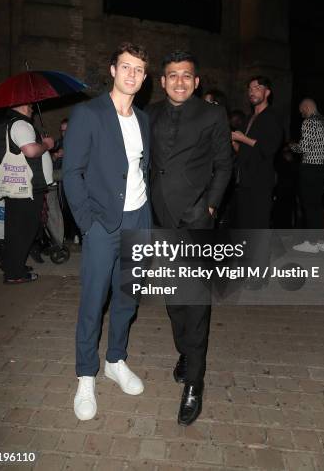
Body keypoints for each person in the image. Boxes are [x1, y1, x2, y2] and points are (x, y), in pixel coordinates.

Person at [62, 42, 151, 422]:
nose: (132, 75)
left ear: (145, 78)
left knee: (127, 299)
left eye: (139, 70)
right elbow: (72, 173)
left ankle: (115, 360)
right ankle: (86, 375)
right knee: (93, 302)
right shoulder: (89, 113)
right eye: (126, 67)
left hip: (137, 220)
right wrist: (88, 223)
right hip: (102, 225)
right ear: (113, 70)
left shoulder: (144, 119)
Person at [147, 50, 232, 426]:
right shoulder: (148, 115)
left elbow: (224, 163)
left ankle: (194, 383)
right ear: (162, 81)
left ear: (195, 82)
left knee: (195, 302)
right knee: (174, 298)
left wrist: (210, 207)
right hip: (159, 221)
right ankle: (184, 351)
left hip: (197, 220)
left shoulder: (212, 114)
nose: (179, 81)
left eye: (186, 75)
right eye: (172, 75)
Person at [0, 104, 54, 283]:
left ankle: (13, 265)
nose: (32, 108)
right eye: (30, 105)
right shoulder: (20, 124)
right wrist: (46, 145)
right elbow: (31, 151)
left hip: (17, 187)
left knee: (16, 229)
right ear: (23, 106)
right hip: (27, 187)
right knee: (24, 230)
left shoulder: (6, 123)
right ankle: (14, 274)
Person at [231, 76, 283, 229]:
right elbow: (246, 152)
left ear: (267, 93)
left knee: (259, 223)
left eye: (257, 88)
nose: (252, 92)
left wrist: (243, 138)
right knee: (245, 223)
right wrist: (235, 144)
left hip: (261, 181)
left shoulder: (272, 117)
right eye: (250, 89)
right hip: (244, 180)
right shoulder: (249, 118)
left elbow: (269, 148)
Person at [290, 98, 324, 253]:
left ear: (307, 107)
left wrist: (291, 146)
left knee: (309, 204)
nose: (301, 114)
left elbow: (303, 147)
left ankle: (312, 242)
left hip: (310, 167)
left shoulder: (309, 122)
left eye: (302, 110)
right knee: (317, 205)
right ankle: (321, 242)